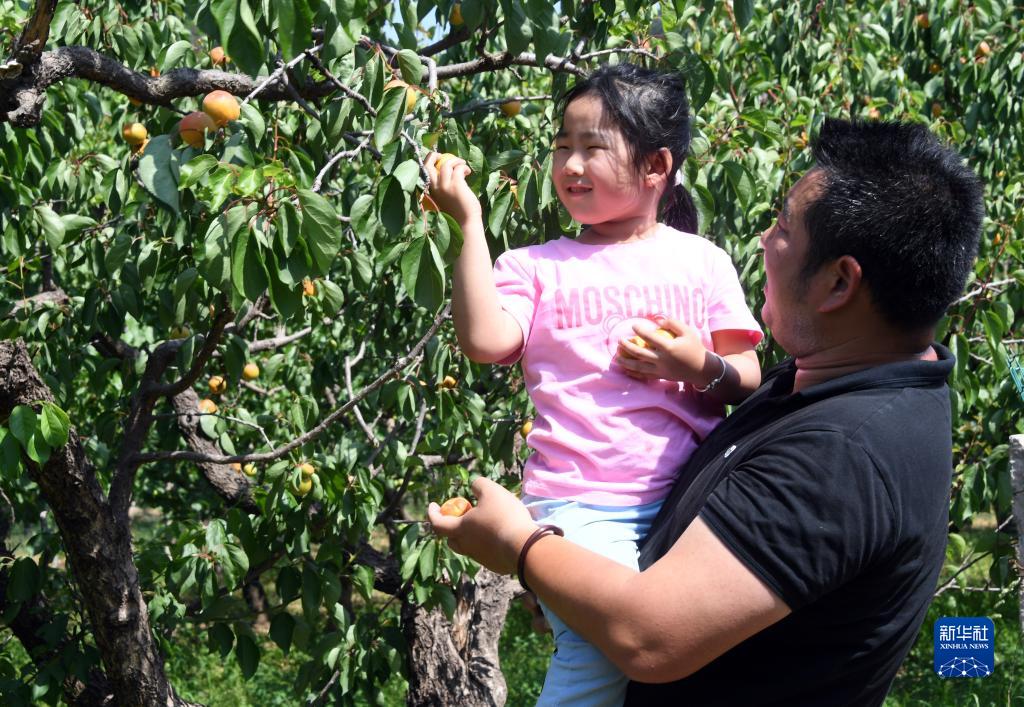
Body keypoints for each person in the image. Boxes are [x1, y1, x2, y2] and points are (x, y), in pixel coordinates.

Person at [429, 118, 984, 706]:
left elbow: (649, 638)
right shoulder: (825, 383)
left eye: (784, 229)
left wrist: (522, 545)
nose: (765, 241)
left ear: (839, 284)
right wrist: (579, 581)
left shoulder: (842, 456)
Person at [425, 63, 762, 706]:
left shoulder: (702, 261)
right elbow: (486, 341)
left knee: (695, 650)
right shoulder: (536, 266)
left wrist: (695, 367)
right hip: (584, 500)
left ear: (656, 166)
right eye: (561, 148)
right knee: (599, 657)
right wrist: (468, 224)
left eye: (592, 147)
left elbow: (748, 380)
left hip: (695, 493)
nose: (570, 165)